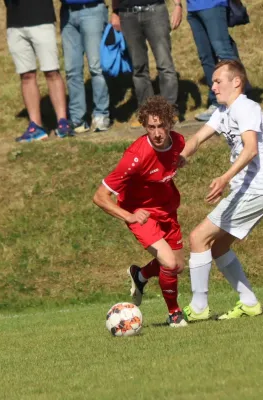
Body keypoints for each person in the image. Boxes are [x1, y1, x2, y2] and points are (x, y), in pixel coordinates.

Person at [178, 60, 263, 321]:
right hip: (252, 190)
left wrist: (224, 178)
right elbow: (197, 139)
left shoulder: (246, 107)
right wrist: (175, 163)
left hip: (256, 188)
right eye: (212, 82)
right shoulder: (224, 112)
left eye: (217, 81)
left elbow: (251, 148)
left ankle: (199, 307)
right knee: (218, 247)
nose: (213, 87)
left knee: (198, 238)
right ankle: (249, 302)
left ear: (236, 82)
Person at [93, 96, 188, 327]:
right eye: (151, 127)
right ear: (145, 127)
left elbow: (173, 160)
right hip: (140, 213)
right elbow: (99, 197)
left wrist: (179, 162)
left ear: (170, 124)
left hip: (167, 210)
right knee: (168, 262)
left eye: (161, 126)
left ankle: (141, 275)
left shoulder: (178, 142)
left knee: (178, 266)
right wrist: (129, 216)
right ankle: (175, 314)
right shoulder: (134, 158)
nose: (157, 133)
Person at [4, 0, 73, 142]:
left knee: (51, 72)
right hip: (15, 23)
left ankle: (62, 122)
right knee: (26, 75)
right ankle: (36, 126)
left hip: (42, 20)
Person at [111, 0, 182, 128]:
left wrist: (177, 5)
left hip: (155, 11)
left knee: (164, 63)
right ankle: (147, 113)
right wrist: (115, 11)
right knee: (139, 68)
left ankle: (169, 111)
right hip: (127, 15)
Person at [186, 0, 245, 122]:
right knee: (206, 57)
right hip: (192, 8)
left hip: (212, 5)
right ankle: (217, 103)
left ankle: (238, 101)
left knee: (224, 52)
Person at [60, 0, 110, 133]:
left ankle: (101, 114)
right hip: (67, 13)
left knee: (96, 67)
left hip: (92, 10)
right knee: (72, 70)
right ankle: (77, 119)